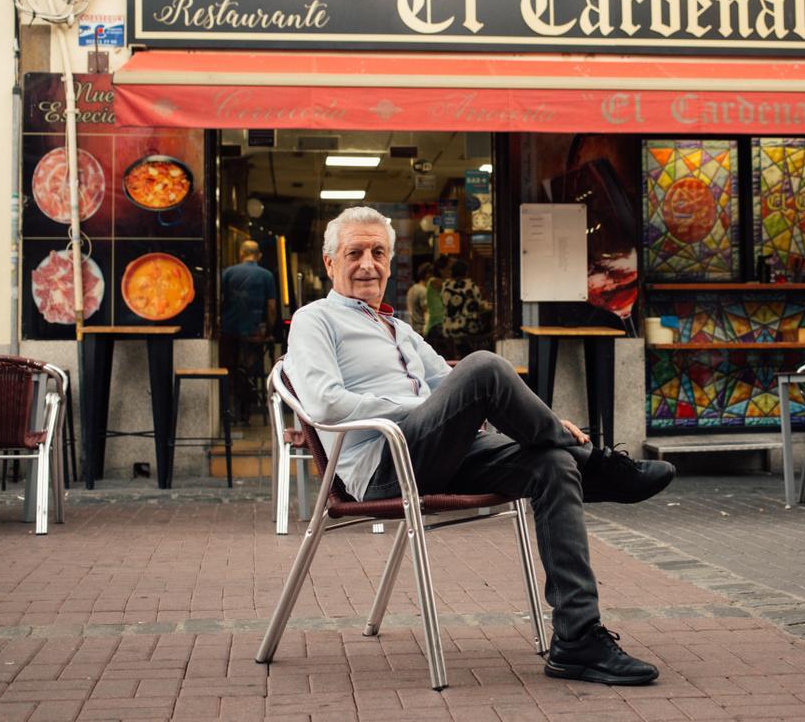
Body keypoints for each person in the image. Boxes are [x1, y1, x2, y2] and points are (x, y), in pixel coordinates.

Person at [286, 206, 675, 686]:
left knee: (552, 463)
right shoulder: (314, 320)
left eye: (378, 252)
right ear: (329, 263)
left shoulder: (400, 329)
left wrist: (526, 423)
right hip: (384, 465)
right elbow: (323, 404)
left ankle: (577, 640)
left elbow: (455, 389)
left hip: (442, 455)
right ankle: (600, 465)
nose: (368, 263)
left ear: (390, 261)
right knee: (485, 366)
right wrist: (421, 409)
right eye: (355, 253)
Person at [221, 240, 276, 423]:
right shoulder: (266, 275)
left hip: (229, 330)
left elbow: (220, 300)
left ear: (241, 253)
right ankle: (248, 410)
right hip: (254, 333)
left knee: (232, 371)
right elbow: (271, 306)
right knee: (250, 371)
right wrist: (269, 330)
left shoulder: (228, 273)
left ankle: (232, 411)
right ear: (258, 255)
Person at [441, 259, 491, 356]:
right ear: (466, 272)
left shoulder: (445, 286)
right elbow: (479, 304)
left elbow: (444, 303)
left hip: (449, 328)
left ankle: (457, 354)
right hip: (468, 327)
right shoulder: (471, 285)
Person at [406, 261, 432, 334]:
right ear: (427, 275)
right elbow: (426, 313)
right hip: (421, 330)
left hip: (413, 329)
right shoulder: (423, 291)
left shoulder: (412, 289)